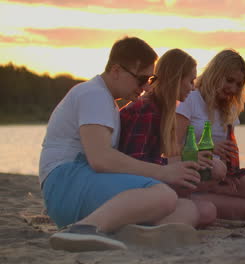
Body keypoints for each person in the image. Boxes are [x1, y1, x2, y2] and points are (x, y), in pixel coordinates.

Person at [39, 37, 204, 252]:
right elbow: (101, 159)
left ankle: (132, 234)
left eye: (151, 79)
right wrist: (164, 172)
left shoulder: (108, 102)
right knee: (163, 195)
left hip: (78, 185)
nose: (146, 87)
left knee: (186, 208)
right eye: (142, 79)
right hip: (65, 183)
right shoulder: (93, 94)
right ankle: (84, 229)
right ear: (116, 70)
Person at [119, 48, 221, 226]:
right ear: (176, 79)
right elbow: (132, 165)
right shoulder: (147, 110)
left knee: (208, 209)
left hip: (143, 186)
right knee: (205, 211)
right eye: (191, 81)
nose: (193, 87)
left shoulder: (160, 109)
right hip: (127, 190)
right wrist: (176, 167)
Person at [175, 49, 245, 220]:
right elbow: (171, 149)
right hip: (194, 172)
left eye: (239, 84)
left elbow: (230, 150)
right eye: (229, 80)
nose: (233, 88)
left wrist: (231, 174)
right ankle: (197, 196)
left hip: (220, 175)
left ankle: (215, 194)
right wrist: (210, 149)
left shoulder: (230, 107)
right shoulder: (190, 99)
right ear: (216, 74)